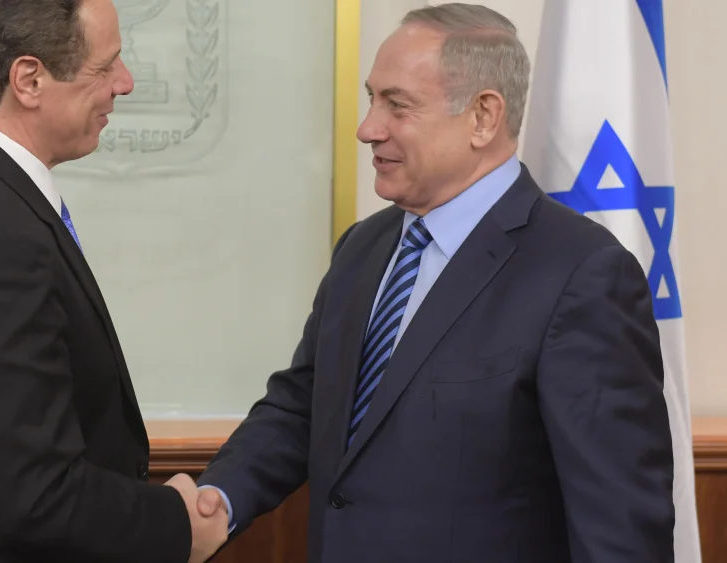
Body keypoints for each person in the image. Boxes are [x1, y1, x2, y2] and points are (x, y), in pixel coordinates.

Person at [194, 3, 675, 562]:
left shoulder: (583, 274)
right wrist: (217, 500)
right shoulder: (362, 247)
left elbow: (619, 526)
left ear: (483, 117)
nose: (367, 128)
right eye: (371, 98)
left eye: (397, 105)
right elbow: (304, 404)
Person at [0, 0, 227, 561]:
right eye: (106, 67)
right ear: (28, 79)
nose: (124, 83)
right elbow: (34, 497)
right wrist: (175, 524)